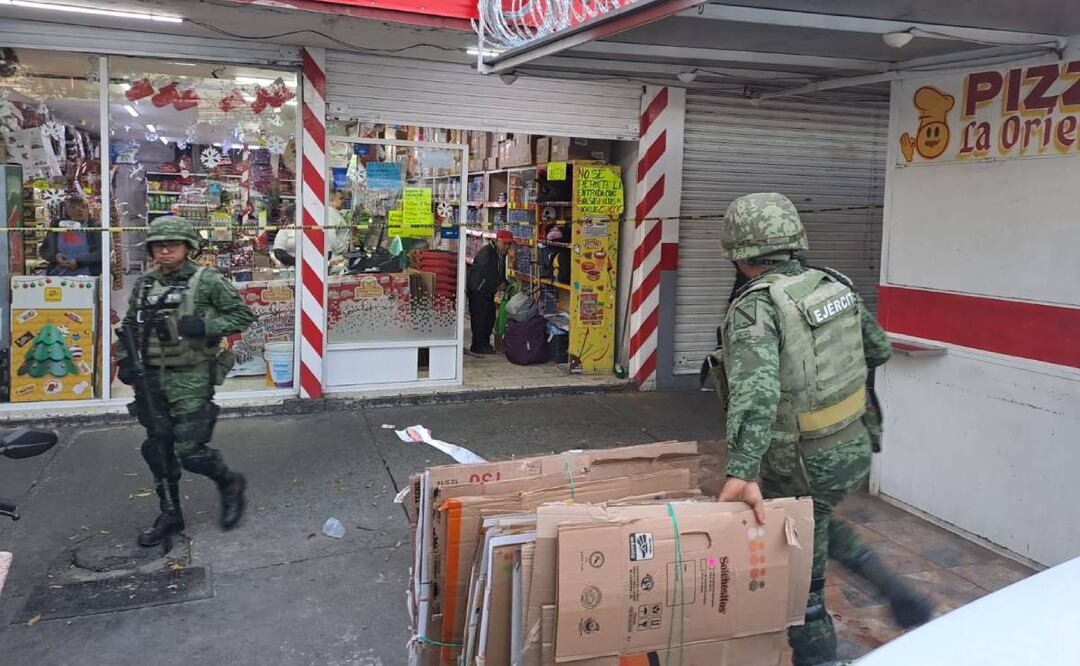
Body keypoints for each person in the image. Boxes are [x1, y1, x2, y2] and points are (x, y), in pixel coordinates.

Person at [714, 193, 934, 666]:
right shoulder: (833, 284)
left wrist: (742, 471)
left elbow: (757, 393)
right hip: (853, 442)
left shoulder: (757, 307)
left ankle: (822, 657)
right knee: (817, 522)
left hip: (802, 463)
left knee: (802, 588)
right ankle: (897, 592)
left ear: (740, 252)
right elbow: (877, 349)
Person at [116, 216, 256, 547]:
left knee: (189, 449)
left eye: (172, 244)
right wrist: (125, 360)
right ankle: (169, 512)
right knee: (158, 446)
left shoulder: (207, 281)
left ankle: (229, 483)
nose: (165, 250)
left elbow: (243, 315)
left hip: (191, 374)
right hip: (150, 376)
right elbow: (129, 326)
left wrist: (205, 327)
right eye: (158, 245)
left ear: (188, 248)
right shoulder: (145, 283)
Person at [466, 229, 513, 354]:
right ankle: (478, 345)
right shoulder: (487, 252)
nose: (507, 247)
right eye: (505, 244)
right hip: (478, 289)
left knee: (489, 317)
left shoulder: (501, 254)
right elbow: (486, 271)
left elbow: (500, 271)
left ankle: (484, 344)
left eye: (509, 244)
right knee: (480, 318)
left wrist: (505, 282)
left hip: (487, 290)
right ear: (498, 241)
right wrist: (499, 283)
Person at [272, 190, 350, 266]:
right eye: (296, 216)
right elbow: (278, 252)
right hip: (289, 268)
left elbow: (327, 251)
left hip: (314, 267)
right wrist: (295, 262)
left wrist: (312, 263)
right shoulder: (286, 230)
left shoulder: (316, 230)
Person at [39, 195, 102, 276]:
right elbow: (44, 250)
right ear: (67, 211)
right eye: (74, 207)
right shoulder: (56, 227)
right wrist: (55, 256)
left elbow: (102, 252)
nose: (79, 210)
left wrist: (79, 262)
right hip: (58, 275)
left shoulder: (95, 227)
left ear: (88, 210)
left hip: (88, 275)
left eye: (83, 207)